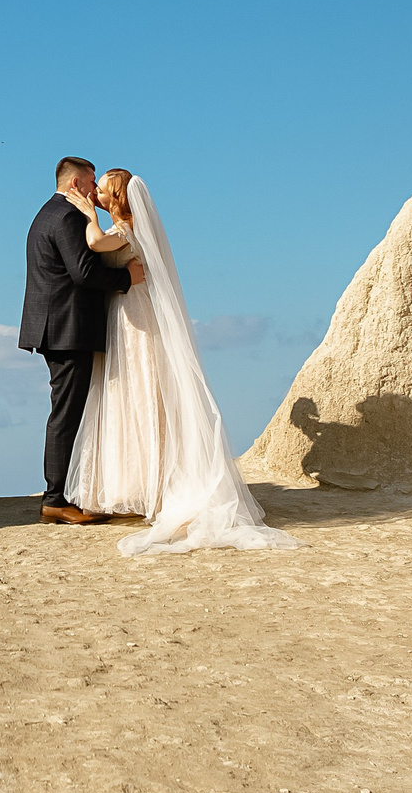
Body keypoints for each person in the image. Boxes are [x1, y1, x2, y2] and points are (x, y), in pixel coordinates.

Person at [63, 169, 298, 555]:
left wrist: (88, 214)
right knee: (127, 395)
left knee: (142, 390)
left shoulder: (126, 229)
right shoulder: (127, 228)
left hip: (134, 316)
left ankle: (152, 487)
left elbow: (95, 242)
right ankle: (135, 485)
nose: (97, 195)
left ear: (116, 196)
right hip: (123, 313)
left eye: (102, 191)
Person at [17, 156, 144, 523]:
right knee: (66, 415)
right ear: (76, 184)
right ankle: (55, 499)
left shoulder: (47, 213)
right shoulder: (69, 216)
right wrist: (126, 279)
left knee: (66, 411)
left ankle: (64, 494)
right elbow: (83, 272)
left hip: (54, 327)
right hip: (68, 329)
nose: (94, 193)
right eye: (91, 183)